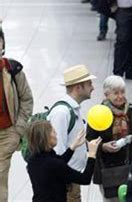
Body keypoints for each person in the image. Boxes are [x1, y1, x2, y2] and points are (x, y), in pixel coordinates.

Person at [86, 75, 132, 200]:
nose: (120, 96)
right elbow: (89, 141)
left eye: (122, 92)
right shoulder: (99, 113)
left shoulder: (131, 110)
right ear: (106, 95)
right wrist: (103, 147)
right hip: (109, 169)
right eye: (115, 93)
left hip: (131, 166)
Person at [48, 64, 96, 201]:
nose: (93, 88)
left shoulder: (73, 110)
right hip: (66, 183)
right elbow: (57, 150)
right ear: (78, 88)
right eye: (89, 84)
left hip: (71, 178)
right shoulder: (62, 113)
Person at [26, 120, 102, 202]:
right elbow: (85, 179)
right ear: (45, 137)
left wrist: (73, 147)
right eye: (52, 131)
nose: (56, 134)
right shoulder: (54, 164)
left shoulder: (32, 161)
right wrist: (92, 154)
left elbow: (58, 162)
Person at [0, 27, 33, 202]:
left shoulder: (13, 70)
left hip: (6, 134)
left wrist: (18, 130)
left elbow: (27, 99)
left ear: (3, 44)